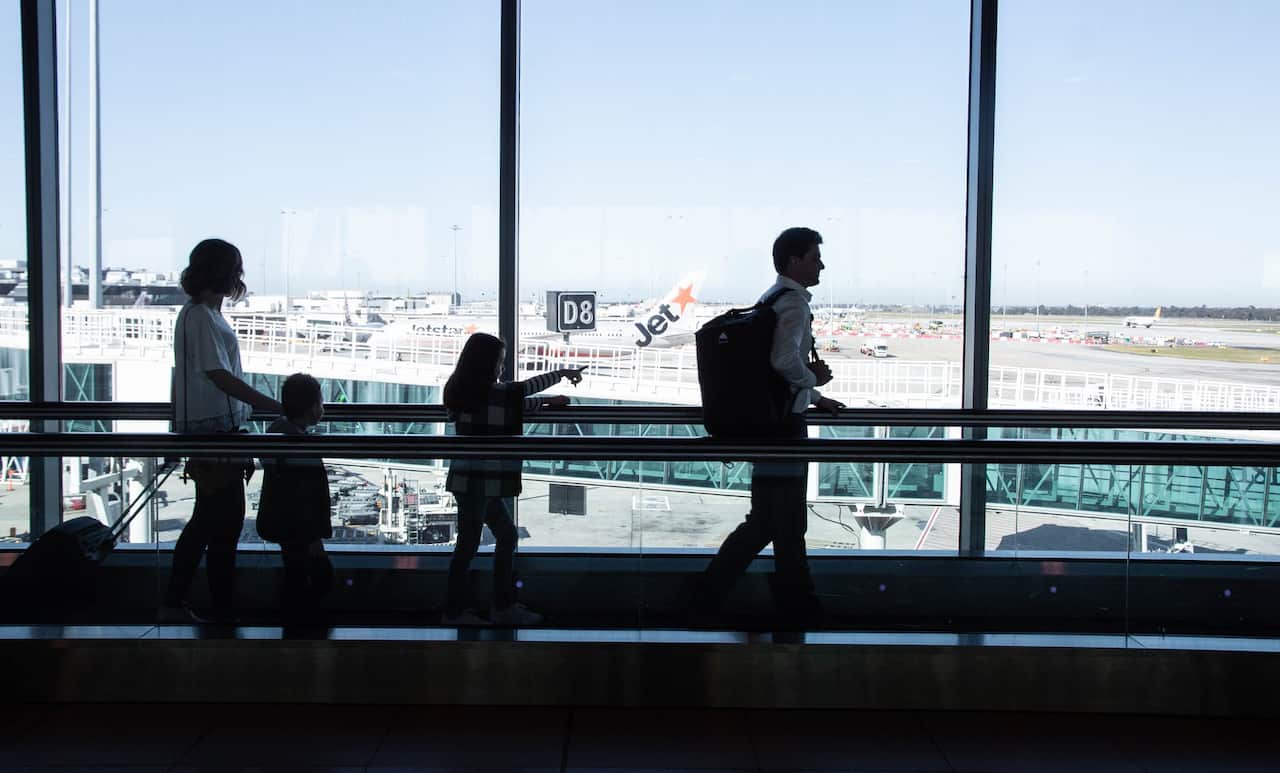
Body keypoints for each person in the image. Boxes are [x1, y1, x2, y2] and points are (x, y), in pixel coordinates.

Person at [693, 226, 846, 629]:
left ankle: (715, 597)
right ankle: (793, 606)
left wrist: (814, 397)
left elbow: (769, 371)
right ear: (794, 261)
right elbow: (783, 362)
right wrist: (815, 381)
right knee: (784, 523)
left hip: (768, 423)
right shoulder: (793, 303)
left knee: (771, 521)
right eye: (815, 257)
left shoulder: (771, 297)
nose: (821, 265)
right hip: (784, 429)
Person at [164, 238, 281, 624]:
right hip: (214, 432)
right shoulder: (202, 316)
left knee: (217, 521)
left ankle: (208, 603)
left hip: (215, 430)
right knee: (215, 521)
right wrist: (271, 405)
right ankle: (197, 602)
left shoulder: (200, 313)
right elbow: (218, 374)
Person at [442, 333, 586, 626]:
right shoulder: (496, 394)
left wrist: (548, 401)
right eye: (499, 361)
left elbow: (511, 402)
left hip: (468, 479)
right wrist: (561, 374)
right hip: (483, 481)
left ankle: (490, 605)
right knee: (476, 544)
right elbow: (521, 393)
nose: (502, 368)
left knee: (497, 538)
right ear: (487, 364)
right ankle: (465, 611)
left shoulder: (461, 391)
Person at [256, 373, 334, 623]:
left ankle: (294, 624)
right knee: (316, 577)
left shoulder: (278, 436)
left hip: (282, 522)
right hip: (301, 529)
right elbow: (307, 495)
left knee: (295, 573)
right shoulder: (301, 446)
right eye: (321, 402)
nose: (323, 408)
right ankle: (301, 624)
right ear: (312, 408)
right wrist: (315, 533)